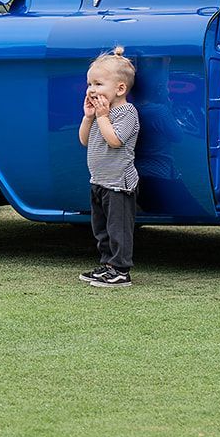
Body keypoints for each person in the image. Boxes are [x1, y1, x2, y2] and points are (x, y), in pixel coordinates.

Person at [78, 46, 140, 288]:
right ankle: (107, 265)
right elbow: (84, 140)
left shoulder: (127, 113)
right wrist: (88, 117)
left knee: (118, 229)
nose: (91, 89)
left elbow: (115, 140)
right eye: (89, 84)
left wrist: (102, 117)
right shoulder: (99, 114)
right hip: (99, 181)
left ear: (120, 88)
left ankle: (121, 269)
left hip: (118, 184)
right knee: (101, 228)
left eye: (98, 84)